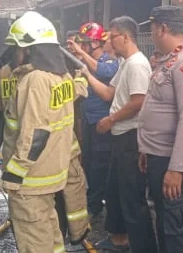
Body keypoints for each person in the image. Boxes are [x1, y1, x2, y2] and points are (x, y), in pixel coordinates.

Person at [0, 11, 78, 253]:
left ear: (30, 49)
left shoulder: (35, 80)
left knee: (35, 241)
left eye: (18, 48)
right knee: (50, 236)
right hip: (51, 174)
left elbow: (36, 133)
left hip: (29, 180)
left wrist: (13, 175)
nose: (16, 54)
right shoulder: (62, 77)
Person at [81, 16, 157, 252]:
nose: (109, 42)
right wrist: (86, 73)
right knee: (115, 191)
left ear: (125, 37)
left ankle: (142, 246)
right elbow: (108, 93)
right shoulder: (125, 63)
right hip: (119, 135)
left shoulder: (137, 64)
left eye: (113, 36)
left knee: (132, 196)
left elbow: (138, 102)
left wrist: (110, 119)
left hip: (130, 137)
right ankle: (119, 240)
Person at [138, 6, 183, 253]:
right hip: (161, 159)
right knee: (169, 228)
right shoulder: (169, 62)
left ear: (163, 29)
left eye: (153, 30)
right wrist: (147, 149)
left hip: (177, 164)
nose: (152, 35)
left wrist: (177, 169)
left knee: (181, 231)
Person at [67, 22, 119, 218]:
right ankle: (94, 201)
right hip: (87, 121)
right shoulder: (83, 64)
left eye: (86, 43)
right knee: (88, 162)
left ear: (95, 44)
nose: (83, 47)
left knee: (100, 165)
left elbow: (104, 72)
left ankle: (96, 205)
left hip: (102, 122)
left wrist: (82, 55)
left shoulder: (110, 62)